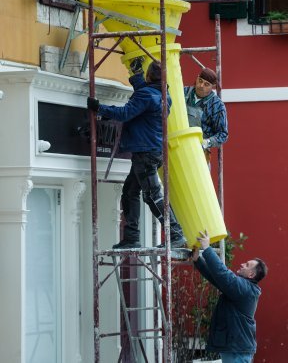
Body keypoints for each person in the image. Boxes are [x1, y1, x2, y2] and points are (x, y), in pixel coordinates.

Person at [87, 58, 187, 249]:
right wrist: (137, 75)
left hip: (144, 151)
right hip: (152, 151)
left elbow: (125, 113)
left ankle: (175, 234)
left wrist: (99, 107)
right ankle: (132, 236)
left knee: (152, 195)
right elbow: (145, 94)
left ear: (150, 76)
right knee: (131, 191)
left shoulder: (147, 96)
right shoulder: (164, 95)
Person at [192, 231, 267, 363]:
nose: (243, 264)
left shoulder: (245, 289)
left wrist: (207, 249)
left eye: (247, 265)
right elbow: (217, 279)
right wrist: (198, 260)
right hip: (235, 348)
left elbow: (223, 274)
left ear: (251, 275)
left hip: (237, 350)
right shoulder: (242, 289)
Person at [184, 67, 229, 164]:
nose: (201, 86)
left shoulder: (217, 106)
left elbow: (223, 134)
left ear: (212, 86)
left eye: (206, 84)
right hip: (178, 146)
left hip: (200, 153)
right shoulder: (183, 93)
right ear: (197, 78)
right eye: (200, 81)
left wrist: (206, 142)